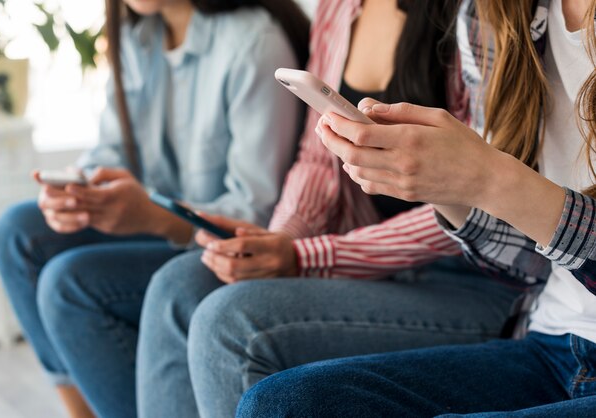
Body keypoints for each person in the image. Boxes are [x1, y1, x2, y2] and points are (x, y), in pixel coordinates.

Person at [135, 1, 526, 417]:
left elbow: (478, 201)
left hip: (476, 280)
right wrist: (281, 241)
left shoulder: (479, 15)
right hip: (383, 269)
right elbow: (318, 159)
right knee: (182, 283)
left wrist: (309, 258)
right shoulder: (339, 7)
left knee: (230, 322)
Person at [236, 0, 596, 416]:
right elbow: (525, 263)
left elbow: (502, 198)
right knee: (281, 404)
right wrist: (446, 188)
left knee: (238, 320)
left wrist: (490, 177)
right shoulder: (498, 14)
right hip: (553, 339)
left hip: (473, 295)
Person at [0, 0, 308, 417]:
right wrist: (81, 191)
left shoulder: (254, 43)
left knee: (70, 283)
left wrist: (155, 218)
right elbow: (111, 151)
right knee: (17, 231)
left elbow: (259, 218)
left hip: (220, 246)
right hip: (162, 229)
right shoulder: (138, 37)